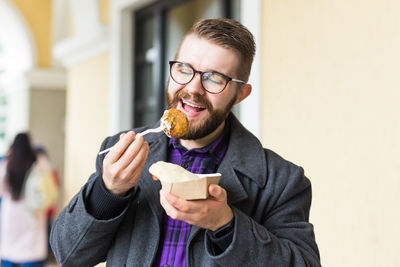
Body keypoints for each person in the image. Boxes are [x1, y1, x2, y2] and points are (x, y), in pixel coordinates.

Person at [50, 18, 321, 266]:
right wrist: (108, 191)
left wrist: (225, 224)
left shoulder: (282, 181)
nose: (192, 88)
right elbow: (68, 254)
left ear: (240, 94)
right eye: (184, 69)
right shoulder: (119, 154)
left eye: (214, 78)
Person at [0, 133, 48, 267]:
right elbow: (48, 187)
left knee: (10, 256)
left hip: (11, 217)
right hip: (33, 215)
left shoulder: (6, 163)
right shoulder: (39, 161)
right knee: (31, 255)